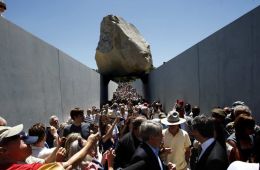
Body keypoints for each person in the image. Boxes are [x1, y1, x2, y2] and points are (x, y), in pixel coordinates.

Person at [0, 124, 100, 169]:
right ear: (3, 151)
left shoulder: (28, 160)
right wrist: (89, 144)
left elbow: (45, 162)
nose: (25, 139)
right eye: (18, 138)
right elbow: (69, 164)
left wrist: (57, 161)